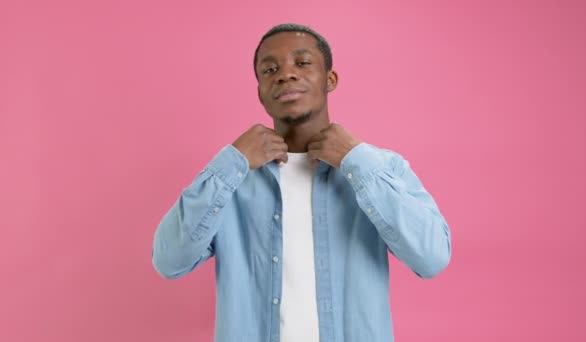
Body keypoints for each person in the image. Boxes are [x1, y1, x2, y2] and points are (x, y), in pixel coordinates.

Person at [152, 23, 452, 342]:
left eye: (303, 62)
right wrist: (231, 164)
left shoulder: (381, 168)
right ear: (260, 92)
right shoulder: (232, 179)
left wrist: (357, 162)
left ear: (330, 79)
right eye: (270, 69)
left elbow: (431, 257)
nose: (285, 74)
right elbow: (169, 261)